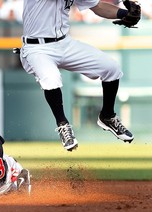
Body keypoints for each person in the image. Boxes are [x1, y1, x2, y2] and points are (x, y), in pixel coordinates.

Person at [19, 0, 140, 151]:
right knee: (51, 78)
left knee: (111, 68)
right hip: (37, 48)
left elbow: (97, 6)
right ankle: (63, 124)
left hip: (64, 43)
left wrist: (125, 13)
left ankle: (107, 116)